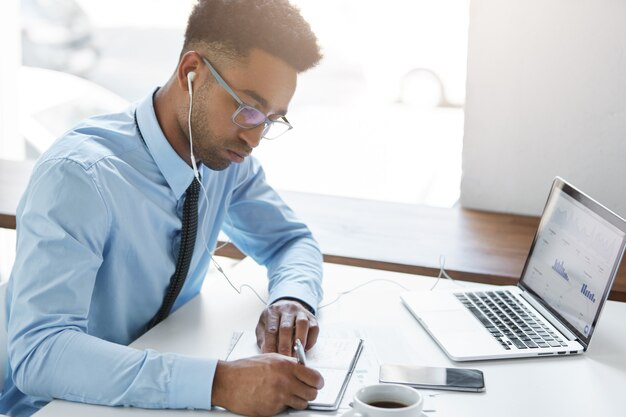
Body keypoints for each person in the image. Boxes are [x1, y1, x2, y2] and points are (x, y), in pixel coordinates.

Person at [0, 1, 325, 416]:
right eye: (248, 108)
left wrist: (293, 297)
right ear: (192, 72)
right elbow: (40, 354)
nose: (255, 137)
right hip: (57, 406)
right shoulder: (80, 177)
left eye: (272, 119)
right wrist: (219, 382)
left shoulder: (221, 158)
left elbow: (289, 240)